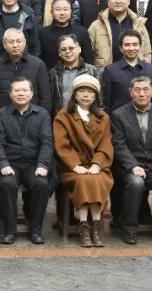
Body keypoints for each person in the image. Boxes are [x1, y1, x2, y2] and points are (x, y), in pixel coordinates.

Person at [110, 75, 152, 245]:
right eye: (137, 90)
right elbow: (119, 145)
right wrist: (132, 165)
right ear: (130, 92)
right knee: (136, 183)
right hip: (131, 165)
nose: (142, 94)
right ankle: (130, 228)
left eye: (146, 89)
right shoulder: (118, 115)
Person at [52, 74, 114, 247]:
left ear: (95, 96)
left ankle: (96, 225)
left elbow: (106, 144)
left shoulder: (103, 117)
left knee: (97, 179)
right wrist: (75, 165)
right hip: (71, 167)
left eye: (90, 92)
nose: (86, 95)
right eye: (81, 91)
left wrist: (97, 164)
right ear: (75, 94)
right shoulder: (63, 116)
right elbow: (62, 145)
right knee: (84, 180)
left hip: (97, 166)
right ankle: (84, 226)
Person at [0, 77, 54, 245]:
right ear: (10, 94)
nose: (21, 93)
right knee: (7, 183)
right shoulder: (0, 115)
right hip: (10, 163)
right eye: (17, 90)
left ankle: (35, 230)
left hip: (33, 163)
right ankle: (9, 230)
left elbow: (47, 142)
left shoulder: (42, 114)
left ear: (32, 93)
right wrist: (3, 164)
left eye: (25, 90)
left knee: (41, 184)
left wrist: (43, 165)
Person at [87, 0, 151, 68]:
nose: (118, 1)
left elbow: (147, 53)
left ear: (128, 1)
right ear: (108, 2)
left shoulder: (139, 24)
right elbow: (88, 54)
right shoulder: (96, 25)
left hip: (135, 73)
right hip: (105, 72)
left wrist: (144, 71)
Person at [0, 28, 51, 112]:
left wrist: (43, 116)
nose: (15, 45)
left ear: (24, 43)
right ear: (4, 44)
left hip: (34, 115)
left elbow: (45, 97)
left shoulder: (38, 65)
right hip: (4, 116)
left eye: (18, 41)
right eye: (11, 42)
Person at [100, 31, 152, 113]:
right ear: (121, 48)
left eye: (135, 44)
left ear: (140, 46)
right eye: (127, 45)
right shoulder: (110, 70)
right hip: (119, 119)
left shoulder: (150, 69)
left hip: (147, 117)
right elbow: (106, 102)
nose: (131, 48)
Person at [49, 34, 102, 116]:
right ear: (59, 53)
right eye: (63, 49)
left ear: (79, 49)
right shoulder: (53, 73)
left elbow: (100, 99)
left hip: (87, 117)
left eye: (71, 48)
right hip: (62, 118)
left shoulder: (93, 71)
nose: (67, 51)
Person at [39, 0, 93, 70]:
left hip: (78, 74)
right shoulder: (43, 34)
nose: (62, 13)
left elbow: (88, 59)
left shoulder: (82, 32)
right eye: (58, 9)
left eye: (65, 9)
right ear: (51, 12)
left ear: (71, 11)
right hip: (51, 75)